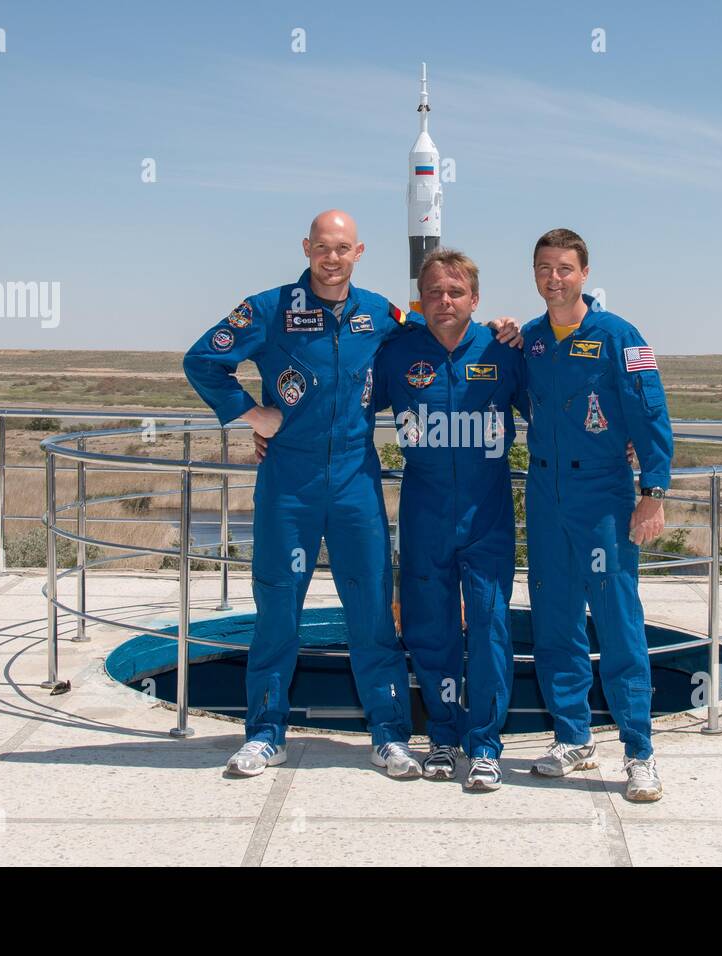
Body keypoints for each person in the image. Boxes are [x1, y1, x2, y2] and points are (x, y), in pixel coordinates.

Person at [183, 210, 520, 779]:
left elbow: (440, 333)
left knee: (371, 612)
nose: (332, 258)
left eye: (343, 248)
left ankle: (389, 735)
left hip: (355, 481)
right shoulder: (269, 309)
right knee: (277, 609)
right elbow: (202, 361)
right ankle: (265, 734)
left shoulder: (381, 314)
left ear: (358, 252)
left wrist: (501, 327)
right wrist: (252, 415)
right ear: (306, 248)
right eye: (323, 247)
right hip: (288, 483)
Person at [520, 228, 674, 802]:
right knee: (554, 618)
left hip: (603, 495)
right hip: (544, 492)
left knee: (617, 620)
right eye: (544, 268)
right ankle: (573, 737)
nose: (553, 278)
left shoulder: (618, 336)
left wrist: (653, 490)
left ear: (584, 273)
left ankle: (640, 751)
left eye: (564, 268)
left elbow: (650, 413)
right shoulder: (531, 341)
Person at [369, 249, 527, 792]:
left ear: (475, 299)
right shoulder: (397, 354)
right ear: (421, 299)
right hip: (424, 512)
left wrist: (622, 442)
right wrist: (272, 428)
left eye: (455, 292)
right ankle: (441, 736)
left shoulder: (504, 349)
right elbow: (342, 405)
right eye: (434, 292)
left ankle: (484, 745)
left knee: (489, 626)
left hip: (487, 514)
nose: (444, 301)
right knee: (429, 628)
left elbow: (557, 407)